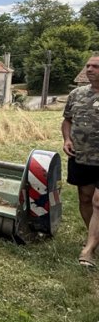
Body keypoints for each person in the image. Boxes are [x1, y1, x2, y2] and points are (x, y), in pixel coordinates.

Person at [62, 55, 99, 268]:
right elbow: (67, 120)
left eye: (96, 66)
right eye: (88, 66)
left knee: (97, 201)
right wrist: (67, 139)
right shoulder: (76, 94)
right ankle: (93, 235)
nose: (90, 69)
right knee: (85, 199)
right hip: (81, 156)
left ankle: (89, 249)